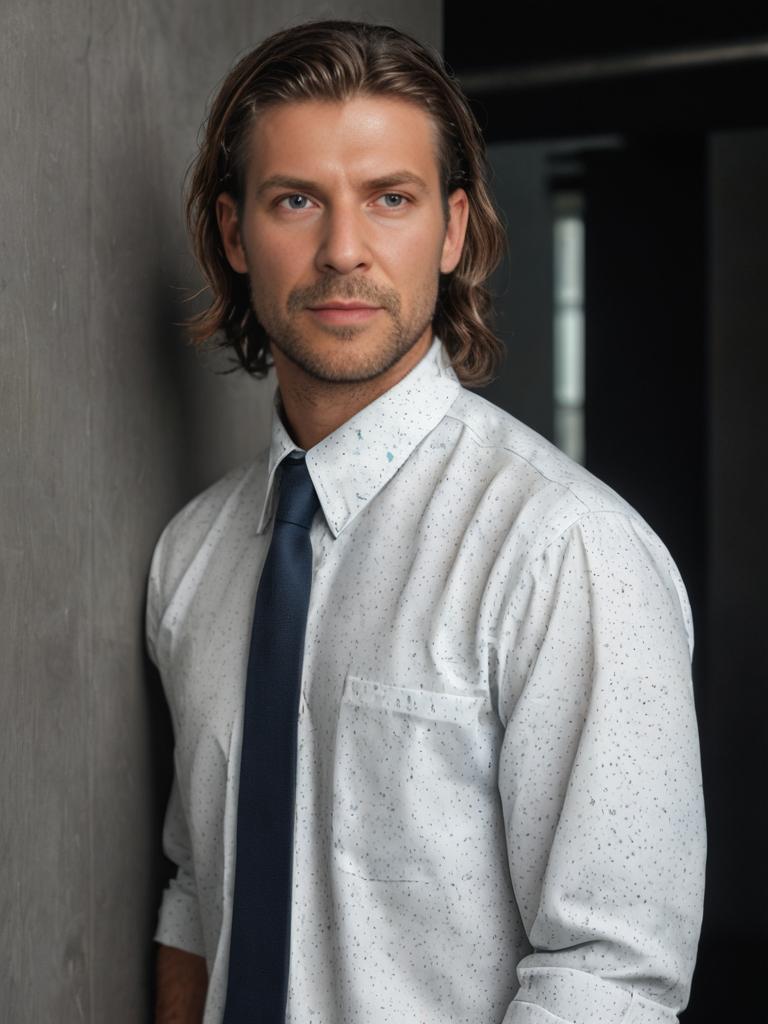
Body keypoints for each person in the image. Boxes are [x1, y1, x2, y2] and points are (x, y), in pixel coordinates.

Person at [147, 19, 706, 1024]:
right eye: (296, 201)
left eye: (389, 199)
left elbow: (608, 977)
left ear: (451, 230)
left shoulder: (564, 549)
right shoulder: (191, 558)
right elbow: (199, 894)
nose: (342, 250)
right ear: (236, 234)